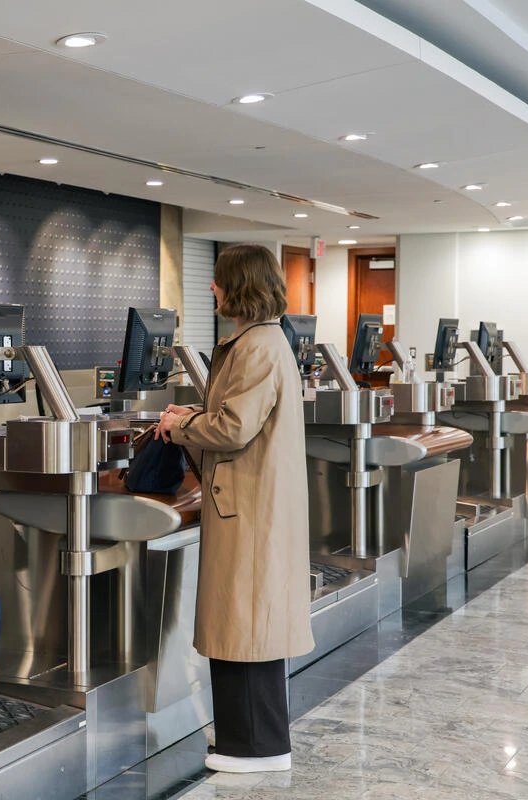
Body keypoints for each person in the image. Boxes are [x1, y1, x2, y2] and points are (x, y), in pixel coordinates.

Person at [156, 243, 314, 773]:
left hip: (248, 507)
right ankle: (248, 740)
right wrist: (193, 414)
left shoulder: (256, 347)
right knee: (247, 625)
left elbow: (233, 428)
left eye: (219, 278)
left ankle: (255, 748)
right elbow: (238, 414)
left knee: (245, 626)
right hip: (250, 503)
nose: (211, 286)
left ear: (238, 284)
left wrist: (180, 425)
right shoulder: (262, 342)